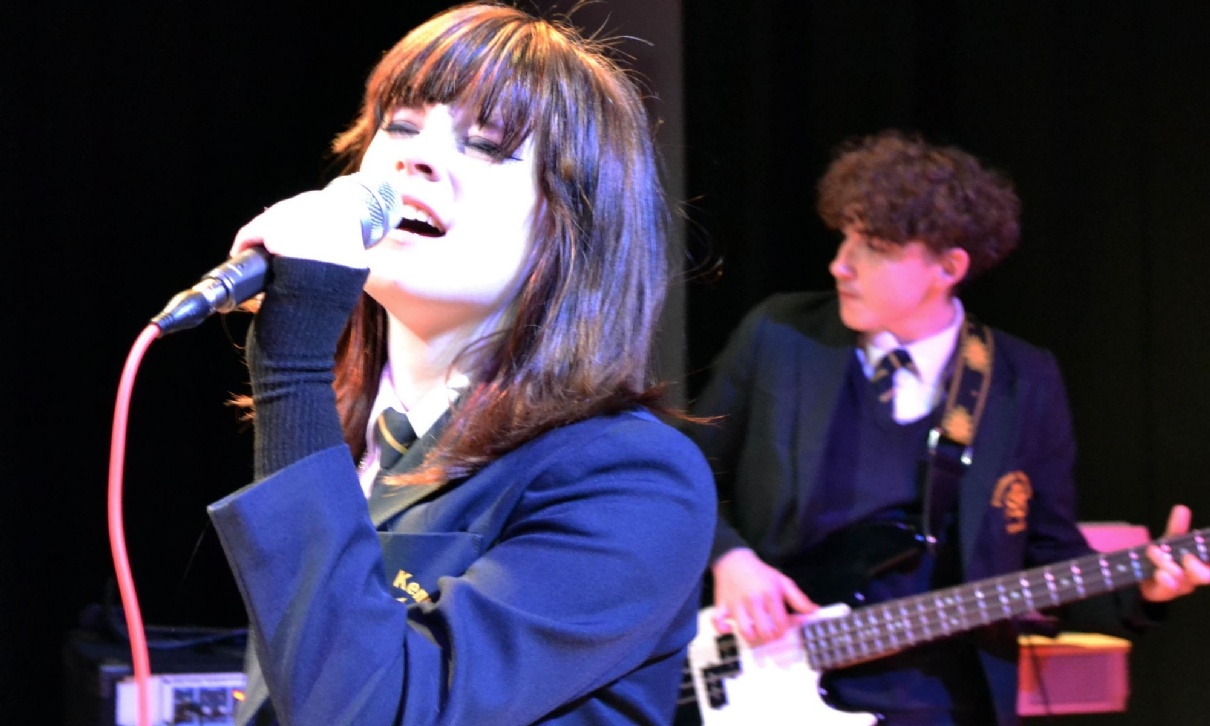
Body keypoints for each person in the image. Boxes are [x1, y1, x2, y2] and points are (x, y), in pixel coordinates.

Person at [204, 3, 717, 724]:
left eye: (487, 145)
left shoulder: (631, 479)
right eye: (400, 127)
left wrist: (291, 367)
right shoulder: (353, 440)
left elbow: (372, 710)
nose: (415, 158)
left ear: (569, 226)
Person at [681, 129, 1210, 725]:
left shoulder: (1021, 380)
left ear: (949, 267)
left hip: (945, 704)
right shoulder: (781, 335)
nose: (840, 265)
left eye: (874, 247)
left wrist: (1145, 589)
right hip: (764, 683)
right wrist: (731, 559)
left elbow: (1050, 553)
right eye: (844, 237)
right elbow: (679, 477)